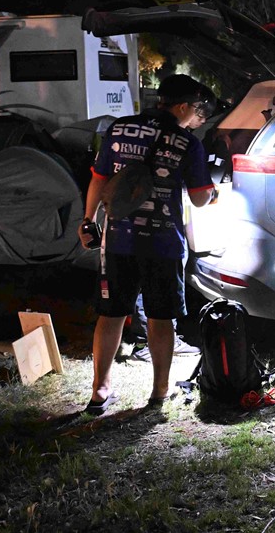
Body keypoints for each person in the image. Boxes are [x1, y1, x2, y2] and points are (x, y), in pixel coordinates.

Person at [78, 74, 216, 414]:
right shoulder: (188, 143)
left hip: (118, 240)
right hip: (163, 243)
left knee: (110, 315)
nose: (197, 114)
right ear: (182, 106)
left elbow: (99, 178)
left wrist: (87, 221)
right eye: (197, 108)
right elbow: (199, 199)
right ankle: (158, 391)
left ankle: (99, 390)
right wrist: (212, 194)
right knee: (160, 317)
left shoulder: (120, 129)